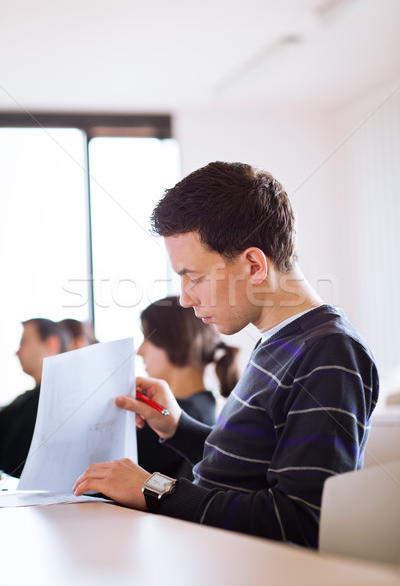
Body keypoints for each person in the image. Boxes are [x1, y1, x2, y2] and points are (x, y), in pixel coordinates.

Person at [74, 161, 379, 549]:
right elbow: (244, 472)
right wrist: (177, 426)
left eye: (195, 277)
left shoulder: (330, 352)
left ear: (254, 265)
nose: (185, 297)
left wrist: (152, 487)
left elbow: (301, 521)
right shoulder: (278, 342)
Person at [136, 295, 240, 477]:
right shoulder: (204, 406)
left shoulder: (165, 418)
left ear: (174, 341)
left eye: (148, 338)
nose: (139, 351)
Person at [0, 318, 68, 477]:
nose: (17, 352)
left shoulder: (59, 402)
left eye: (24, 342)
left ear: (51, 344)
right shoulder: (25, 401)